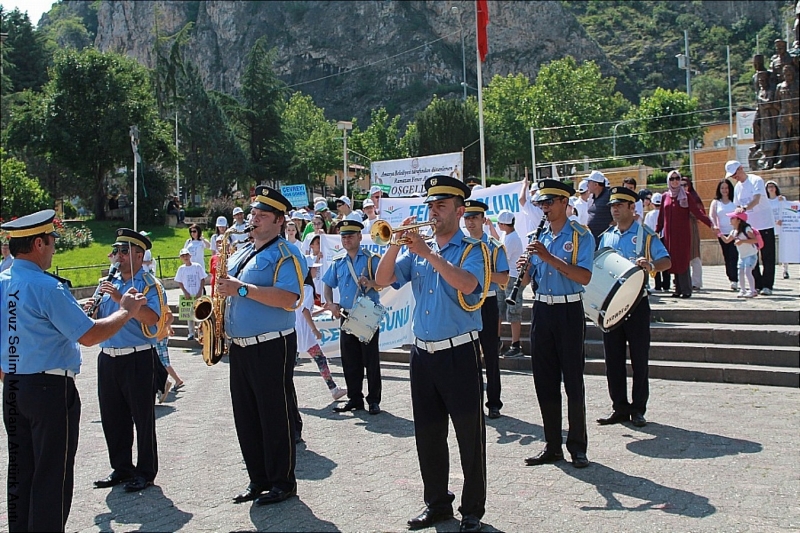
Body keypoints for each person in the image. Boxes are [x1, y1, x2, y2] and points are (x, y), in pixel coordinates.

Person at [1, 210, 147, 533]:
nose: (54, 250)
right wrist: (126, 311)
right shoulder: (46, 286)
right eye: (52, 242)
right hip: (48, 390)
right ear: (38, 244)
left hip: (13, 386)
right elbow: (90, 335)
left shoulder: (3, 281)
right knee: (51, 476)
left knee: (21, 473)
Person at [375, 175, 488, 533]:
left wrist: (427, 252)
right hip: (423, 355)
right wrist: (395, 244)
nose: (434, 212)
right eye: (431, 206)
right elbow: (382, 279)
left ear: (459, 210)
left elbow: (468, 284)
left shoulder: (473, 249)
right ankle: (437, 504)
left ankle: (472, 510)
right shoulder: (417, 251)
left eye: (441, 205)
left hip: (459, 353)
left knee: (469, 436)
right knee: (428, 434)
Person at [216, 186, 307, 506]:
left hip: (271, 344)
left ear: (280, 220)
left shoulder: (286, 253)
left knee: (274, 415)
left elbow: (289, 299)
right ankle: (258, 479)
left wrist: (241, 290)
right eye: (253, 213)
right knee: (246, 416)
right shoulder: (242, 251)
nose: (253, 219)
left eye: (262, 215)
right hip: (240, 346)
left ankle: (282, 482)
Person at [517, 179, 594, 470]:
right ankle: (552, 444)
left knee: (572, 380)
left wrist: (549, 258)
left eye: (549, 202)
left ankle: (578, 446)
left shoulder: (580, 235)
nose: (544, 208)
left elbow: (584, 276)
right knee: (544, 380)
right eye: (541, 203)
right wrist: (523, 271)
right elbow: (527, 280)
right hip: (542, 310)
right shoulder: (537, 236)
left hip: (569, 310)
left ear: (564, 202)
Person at [91, 229, 166, 494]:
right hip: (108, 357)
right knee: (112, 417)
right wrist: (92, 308)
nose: (118, 256)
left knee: (143, 419)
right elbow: (99, 318)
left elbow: (153, 318)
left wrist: (120, 300)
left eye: (124, 251)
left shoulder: (148, 284)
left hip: (137, 357)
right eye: (116, 251)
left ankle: (145, 471)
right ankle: (121, 467)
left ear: (139, 255)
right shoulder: (107, 282)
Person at [596, 187, 671, 428]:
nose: (615, 209)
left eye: (620, 205)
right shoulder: (607, 236)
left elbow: (666, 260)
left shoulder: (645, 235)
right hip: (611, 304)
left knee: (639, 359)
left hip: (637, 303)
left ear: (632, 207)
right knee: (613, 359)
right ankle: (619, 407)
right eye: (612, 206)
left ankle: (638, 408)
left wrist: (651, 265)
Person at [323, 219, 385, 415]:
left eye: (350, 236)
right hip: (346, 314)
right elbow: (327, 284)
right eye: (343, 237)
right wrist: (330, 303)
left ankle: (373, 400)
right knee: (350, 360)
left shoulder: (371, 259)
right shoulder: (338, 261)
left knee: (371, 360)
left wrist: (371, 283)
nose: (346, 240)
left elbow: (385, 281)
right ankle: (355, 398)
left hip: (366, 314)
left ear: (359, 236)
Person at [463, 200, 509, 420]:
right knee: (467, 357)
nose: (470, 222)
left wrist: (481, 276)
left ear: (483, 219)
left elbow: (504, 278)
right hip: (464, 302)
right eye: (467, 218)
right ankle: (472, 403)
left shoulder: (493, 246)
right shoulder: (460, 244)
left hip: (487, 301)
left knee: (490, 355)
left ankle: (494, 403)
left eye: (474, 217)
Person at [656, 170, 714, 298]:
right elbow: (661, 217)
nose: (675, 181)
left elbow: (697, 212)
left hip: (683, 234)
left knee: (683, 260)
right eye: (672, 179)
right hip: (669, 235)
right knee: (673, 260)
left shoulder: (686, 196)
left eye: (677, 178)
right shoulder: (665, 196)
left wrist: (711, 224)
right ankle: (678, 289)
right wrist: (656, 231)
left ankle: (686, 289)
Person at [296, 255, 347, 400]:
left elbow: (305, 310)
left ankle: (334, 389)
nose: (316, 271)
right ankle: (334, 389)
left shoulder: (301, 287)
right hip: (304, 331)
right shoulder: (307, 288)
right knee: (319, 359)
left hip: (298, 330)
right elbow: (305, 311)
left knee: (316, 359)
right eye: (314, 268)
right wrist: (314, 329)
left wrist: (322, 310)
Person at [727, 160, 776, 295]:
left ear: (741, 168)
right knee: (751, 255)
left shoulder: (756, 180)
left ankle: (767, 285)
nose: (735, 177)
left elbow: (756, 199)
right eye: (732, 176)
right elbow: (737, 205)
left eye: (735, 174)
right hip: (749, 227)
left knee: (767, 256)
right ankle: (756, 285)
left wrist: (745, 208)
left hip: (764, 223)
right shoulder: (737, 187)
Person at [142, 247, 183, 399]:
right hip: (159, 335)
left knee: (163, 362)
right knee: (159, 362)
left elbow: (169, 316)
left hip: (160, 336)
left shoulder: (160, 304)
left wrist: (166, 327)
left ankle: (175, 380)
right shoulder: (159, 304)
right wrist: (168, 327)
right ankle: (165, 384)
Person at [496, 210, 525, 358]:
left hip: (512, 276)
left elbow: (502, 257)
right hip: (506, 276)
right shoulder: (507, 235)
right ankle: (497, 341)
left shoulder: (512, 238)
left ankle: (516, 344)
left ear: (503, 224)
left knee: (513, 311)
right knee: (499, 309)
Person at [719, 212, 760, 298]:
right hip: (742, 256)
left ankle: (752, 290)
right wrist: (719, 234)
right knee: (740, 272)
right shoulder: (734, 232)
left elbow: (755, 240)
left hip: (751, 254)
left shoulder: (747, 229)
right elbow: (727, 240)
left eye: (732, 218)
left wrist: (742, 241)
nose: (730, 220)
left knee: (747, 272)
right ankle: (743, 290)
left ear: (739, 220)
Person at [709, 179, 740, 290]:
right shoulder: (716, 202)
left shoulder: (735, 200)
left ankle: (735, 279)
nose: (724, 190)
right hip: (722, 233)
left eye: (726, 188)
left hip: (735, 232)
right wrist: (714, 226)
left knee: (734, 255)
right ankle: (731, 277)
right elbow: (712, 215)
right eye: (722, 188)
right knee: (727, 256)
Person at [175, 247, 207, 342]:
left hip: (197, 293)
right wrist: (185, 292)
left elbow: (202, 279)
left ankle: (201, 332)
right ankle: (191, 333)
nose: (185, 257)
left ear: (190, 256)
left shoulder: (197, 266)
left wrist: (200, 291)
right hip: (188, 295)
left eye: (186, 255)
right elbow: (179, 282)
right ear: (181, 258)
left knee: (199, 314)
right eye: (183, 256)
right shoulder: (181, 269)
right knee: (189, 316)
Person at [681, 176, 707, 290]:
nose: (683, 187)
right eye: (681, 185)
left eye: (685, 185)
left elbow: (700, 214)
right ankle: (682, 281)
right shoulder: (676, 197)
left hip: (692, 228)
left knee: (695, 255)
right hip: (680, 230)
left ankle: (696, 282)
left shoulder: (694, 198)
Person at [644, 193, 671, 292]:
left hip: (653, 239)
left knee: (655, 262)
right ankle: (667, 285)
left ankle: (658, 285)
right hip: (665, 239)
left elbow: (646, 227)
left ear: (652, 204)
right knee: (665, 260)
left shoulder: (649, 215)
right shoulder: (666, 214)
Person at [765, 180, 790, 279]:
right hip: (770, 227)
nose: (771, 188)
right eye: (769, 187)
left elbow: (787, 211)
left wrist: (782, 220)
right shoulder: (765, 201)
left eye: (773, 186)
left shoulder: (781, 199)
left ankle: (785, 269)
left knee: (783, 249)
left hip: (781, 227)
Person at [585, 170, 613, 244]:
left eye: (589, 182)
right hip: (592, 239)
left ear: (596, 184)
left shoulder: (609, 196)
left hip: (604, 240)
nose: (587, 185)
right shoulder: (591, 197)